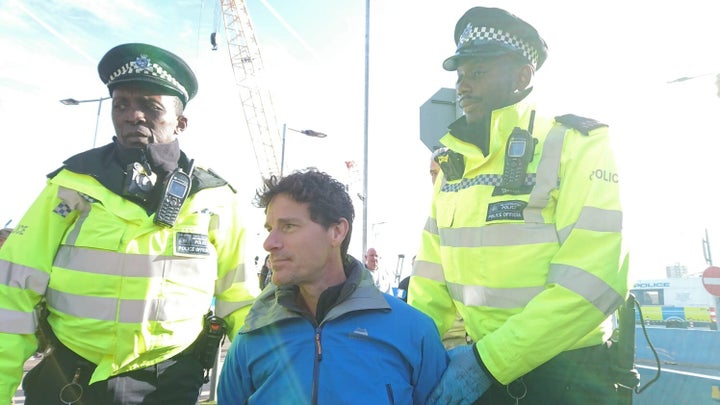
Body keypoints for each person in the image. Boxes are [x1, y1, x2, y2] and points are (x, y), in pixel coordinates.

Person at [0, 43, 254, 404]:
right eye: (121, 104)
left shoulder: (214, 197)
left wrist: (257, 385)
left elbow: (240, 301)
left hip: (169, 384)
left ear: (181, 122)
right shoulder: (71, 185)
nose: (132, 115)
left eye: (150, 106)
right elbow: (12, 293)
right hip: (69, 377)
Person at [408, 7, 632, 404]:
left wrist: (488, 362)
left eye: (478, 73)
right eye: (460, 75)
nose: (463, 86)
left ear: (522, 76)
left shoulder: (578, 144)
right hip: (480, 367)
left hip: (567, 377)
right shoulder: (451, 166)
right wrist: (415, 359)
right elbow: (429, 281)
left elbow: (595, 278)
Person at [218, 169, 448, 404]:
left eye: (288, 226)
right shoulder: (253, 334)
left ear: (337, 232)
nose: (269, 243)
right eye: (269, 229)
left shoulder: (413, 331)